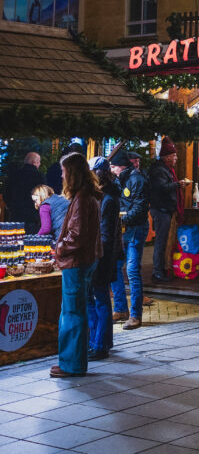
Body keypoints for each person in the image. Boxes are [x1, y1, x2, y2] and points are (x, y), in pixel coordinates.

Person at [50, 152, 103, 378]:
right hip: (86, 260)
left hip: (76, 262)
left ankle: (71, 364)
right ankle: (74, 362)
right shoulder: (89, 196)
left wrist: (59, 248)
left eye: (63, 171)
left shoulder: (81, 199)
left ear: (70, 173)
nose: (61, 175)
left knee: (72, 314)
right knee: (75, 311)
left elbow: (76, 235)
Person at [110, 150, 150, 329]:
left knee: (132, 271)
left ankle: (135, 315)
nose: (111, 170)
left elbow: (139, 207)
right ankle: (120, 308)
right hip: (123, 230)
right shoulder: (120, 179)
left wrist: (120, 220)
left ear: (121, 167)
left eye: (113, 167)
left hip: (135, 230)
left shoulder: (137, 179)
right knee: (115, 267)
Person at [87, 157, 122, 360]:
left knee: (99, 298)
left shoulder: (107, 199)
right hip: (102, 254)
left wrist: (96, 254)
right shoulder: (106, 196)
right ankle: (101, 341)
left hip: (101, 255)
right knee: (98, 298)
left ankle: (99, 344)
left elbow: (106, 234)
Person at [148, 137, 188, 282]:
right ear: (167, 157)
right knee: (160, 242)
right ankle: (157, 272)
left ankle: (160, 270)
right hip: (161, 210)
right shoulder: (159, 171)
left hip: (165, 210)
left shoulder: (166, 169)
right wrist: (177, 184)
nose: (176, 158)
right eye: (174, 155)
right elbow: (161, 188)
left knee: (163, 241)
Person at [6, 151, 44, 231]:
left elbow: (6, 194)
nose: (39, 164)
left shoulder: (14, 175)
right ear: (34, 163)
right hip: (32, 217)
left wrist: (11, 206)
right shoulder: (39, 176)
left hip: (16, 215)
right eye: (39, 162)